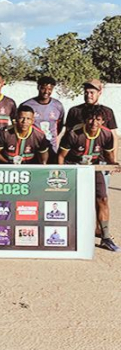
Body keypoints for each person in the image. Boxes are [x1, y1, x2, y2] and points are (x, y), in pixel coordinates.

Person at [58, 104, 120, 251]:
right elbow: (61, 156)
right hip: (73, 168)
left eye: (98, 120)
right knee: (71, 200)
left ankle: (105, 237)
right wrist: (61, 175)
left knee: (103, 199)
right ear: (85, 119)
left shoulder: (106, 134)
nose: (94, 123)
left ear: (103, 122)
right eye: (90, 119)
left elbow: (109, 154)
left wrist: (113, 164)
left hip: (94, 167)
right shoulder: (73, 133)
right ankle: (66, 234)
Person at [20, 76, 65, 153]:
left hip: (51, 146)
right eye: (43, 88)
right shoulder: (27, 105)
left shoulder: (58, 106)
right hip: (32, 146)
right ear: (38, 87)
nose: (46, 91)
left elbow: (59, 125)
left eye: (50, 89)